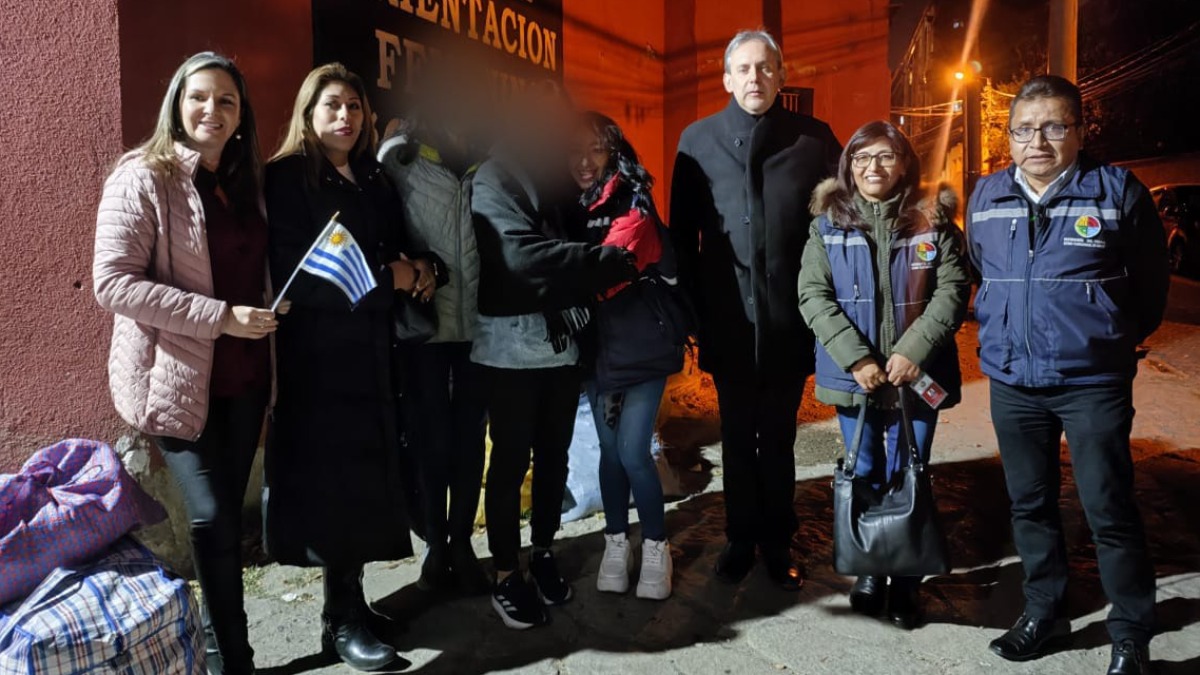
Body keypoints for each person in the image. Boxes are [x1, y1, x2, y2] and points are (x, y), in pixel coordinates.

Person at [966, 75, 1168, 675]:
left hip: (1092, 384)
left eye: (1055, 126)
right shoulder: (985, 196)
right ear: (1010, 136)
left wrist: (1109, 338)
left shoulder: (1116, 192)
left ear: (1080, 130)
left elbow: (1151, 288)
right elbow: (983, 271)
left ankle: (1130, 631)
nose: (1039, 142)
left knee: (1108, 506)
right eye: (1025, 129)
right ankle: (1043, 611)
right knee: (1029, 504)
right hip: (1012, 381)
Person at [93, 52, 273, 675]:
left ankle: (228, 645)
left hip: (246, 378)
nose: (212, 111)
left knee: (224, 518)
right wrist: (222, 316)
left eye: (227, 100)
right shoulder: (143, 176)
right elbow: (113, 284)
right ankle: (231, 653)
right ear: (176, 102)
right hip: (174, 381)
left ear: (242, 113)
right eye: (199, 97)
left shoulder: (248, 183)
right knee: (213, 515)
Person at [264, 63, 441, 672]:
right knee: (335, 488)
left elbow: (393, 247)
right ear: (308, 113)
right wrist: (386, 278)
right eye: (333, 105)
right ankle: (338, 622)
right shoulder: (287, 178)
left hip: (374, 355)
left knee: (367, 483)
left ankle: (355, 604)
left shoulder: (371, 177)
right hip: (320, 360)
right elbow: (298, 272)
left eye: (356, 107)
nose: (346, 117)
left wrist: (416, 267)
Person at [670, 29, 841, 590]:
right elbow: (684, 236)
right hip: (728, 321)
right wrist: (692, 314)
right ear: (726, 79)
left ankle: (778, 540)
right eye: (743, 69)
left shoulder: (814, 141)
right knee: (738, 437)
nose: (754, 78)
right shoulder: (697, 141)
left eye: (765, 68)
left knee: (780, 436)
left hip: (791, 320)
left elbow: (839, 229)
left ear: (782, 75)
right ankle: (740, 538)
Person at [471, 83, 638, 630]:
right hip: (510, 352)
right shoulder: (492, 176)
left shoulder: (561, 181)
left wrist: (589, 262)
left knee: (555, 458)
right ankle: (504, 571)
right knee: (510, 462)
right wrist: (601, 262)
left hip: (563, 349)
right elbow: (519, 255)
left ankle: (542, 552)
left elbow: (568, 252)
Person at [799, 120, 970, 629]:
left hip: (919, 375)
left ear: (904, 164)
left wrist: (913, 351)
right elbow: (813, 294)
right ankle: (871, 568)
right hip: (859, 378)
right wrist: (858, 358)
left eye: (885, 157)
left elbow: (953, 289)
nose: (873, 168)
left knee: (911, 470)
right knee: (867, 467)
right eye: (861, 158)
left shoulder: (931, 221)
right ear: (849, 166)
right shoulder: (827, 223)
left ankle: (907, 579)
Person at [377, 67, 490, 596]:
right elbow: (378, 234)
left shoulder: (493, 158)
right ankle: (435, 547)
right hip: (424, 326)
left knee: (470, 441)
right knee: (430, 442)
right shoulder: (400, 159)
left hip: (481, 327)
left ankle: (462, 544)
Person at [567, 111, 681, 600]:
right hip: (597, 352)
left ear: (613, 151)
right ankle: (618, 542)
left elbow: (600, 273)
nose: (584, 160)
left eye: (595, 148)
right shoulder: (569, 206)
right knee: (610, 453)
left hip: (640, 349)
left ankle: (656, 545)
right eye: (574, 149)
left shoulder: (633, 204)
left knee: (633, 450)